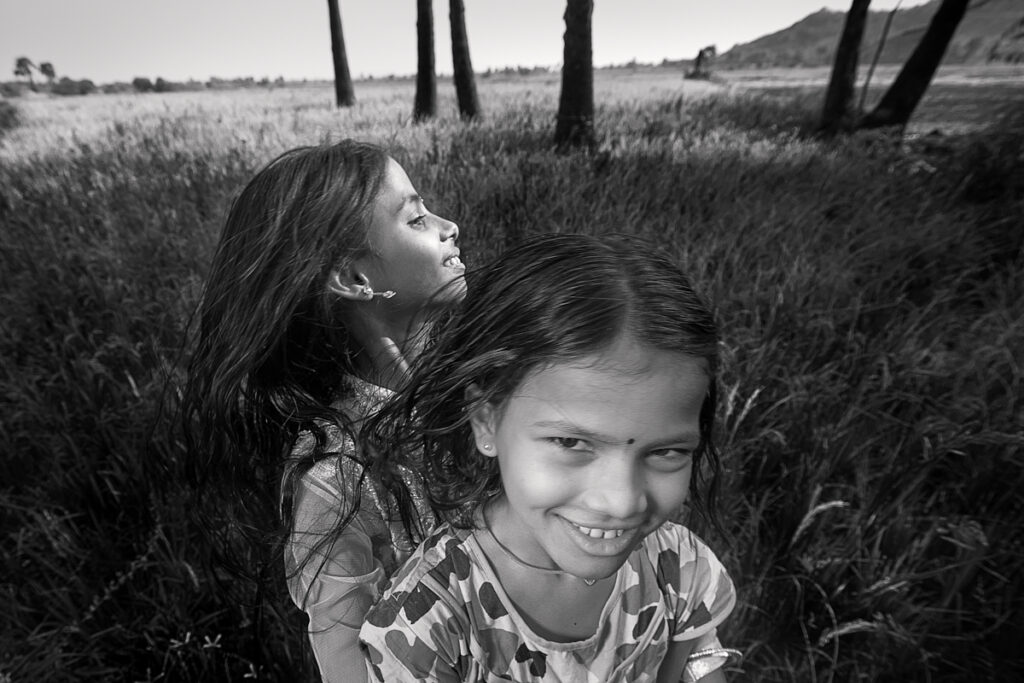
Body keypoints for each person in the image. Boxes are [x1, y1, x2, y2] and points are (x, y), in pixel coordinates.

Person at [359, 233, 739, 683]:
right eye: (571, 443)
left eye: (667, 451)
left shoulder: (678, 568)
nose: (621, 502)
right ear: (485, 422)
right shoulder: (424, 628)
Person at [180, 139, 466, 683]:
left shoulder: (483, 384)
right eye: (416, 217)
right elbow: (350, 669)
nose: (449, 225)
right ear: (355, 279)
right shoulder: (336, 477)